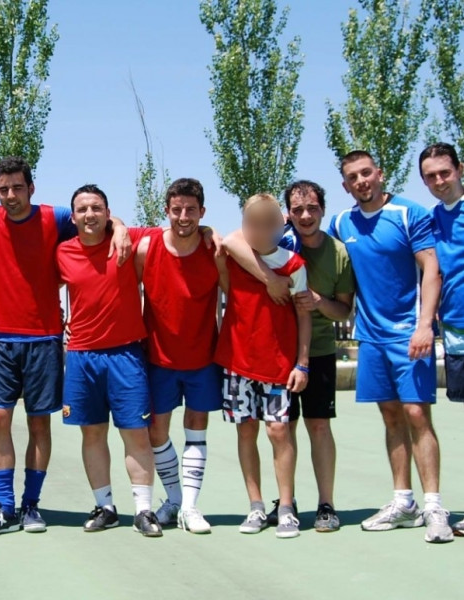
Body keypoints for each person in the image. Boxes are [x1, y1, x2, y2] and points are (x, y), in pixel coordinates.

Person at [0, 156, 132, 536]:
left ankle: (31, 505)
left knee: (38, 423)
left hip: (43, 338)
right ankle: (4, 506)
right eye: (4, 189)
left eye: (18, 187)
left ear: (32, 188)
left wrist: (121, 227)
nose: (11, 195)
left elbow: (100, 216)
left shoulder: (54, 216)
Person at [331, 150, 450, 544]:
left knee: (417, 413)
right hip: (370, 337)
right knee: (391, 416)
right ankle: (404, 502)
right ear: (346, 185)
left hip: (409, 336)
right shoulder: (341, 222)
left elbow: (431, 268)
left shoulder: (408, 213)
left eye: (367, 172)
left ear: (379, 174)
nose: (362, 180)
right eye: (353, 177)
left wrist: (423, 326)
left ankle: (434, 507)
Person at [223, 181, 354, 533]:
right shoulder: (251, 249)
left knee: (306, 427)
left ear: (323, 209)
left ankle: (320, 505)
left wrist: (303, 359)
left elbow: (339, 311)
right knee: (264, 429)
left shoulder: (326, 254)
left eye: (312, 208)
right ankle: (274, 504)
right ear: (288, 215)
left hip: (305, 355)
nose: (306, 215)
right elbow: (229, 240)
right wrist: (268, 278)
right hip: (251, 360)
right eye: (298, 210)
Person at [57, 184, 161, 537]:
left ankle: (144, 510)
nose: (90, 215)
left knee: (136, 434)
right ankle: (105, 507)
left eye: (97, 208)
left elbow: (170, 232)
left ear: (107, 212)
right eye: (83, 209)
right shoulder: (62, 252)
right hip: (82, 357)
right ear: (73, 218)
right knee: (93, 434)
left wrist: (120, 228)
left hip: (126, 354)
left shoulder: (128, 240)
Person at [215, 193, 311, 539]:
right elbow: (224, 243)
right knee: (246, 432)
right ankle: (255, 506)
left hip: (279, 365)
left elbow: (304, 316)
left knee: (278, 432)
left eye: (266, 224)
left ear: (280, 224)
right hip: (237, 363)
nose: (258, 230)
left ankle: (286, 507)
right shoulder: (234, 257)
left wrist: (302, 363)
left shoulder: (294, 265)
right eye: (251, 223)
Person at [134, 178, 226, 534]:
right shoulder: (147, 249)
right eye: (177, 210)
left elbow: (235, 295)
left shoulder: (215, 251)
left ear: (202, 212)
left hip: (203, 357)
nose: (183, 216)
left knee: (196, 431)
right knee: (156, 432)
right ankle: (174, 500)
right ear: (167, 211)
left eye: (191, 210)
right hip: (157, 358)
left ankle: (190, 507)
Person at [419, 144, 464, 536]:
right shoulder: (432, 220)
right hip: (454, 334)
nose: (438, 181)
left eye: (444, 173)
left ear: (459, 169)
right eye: (430, 176)